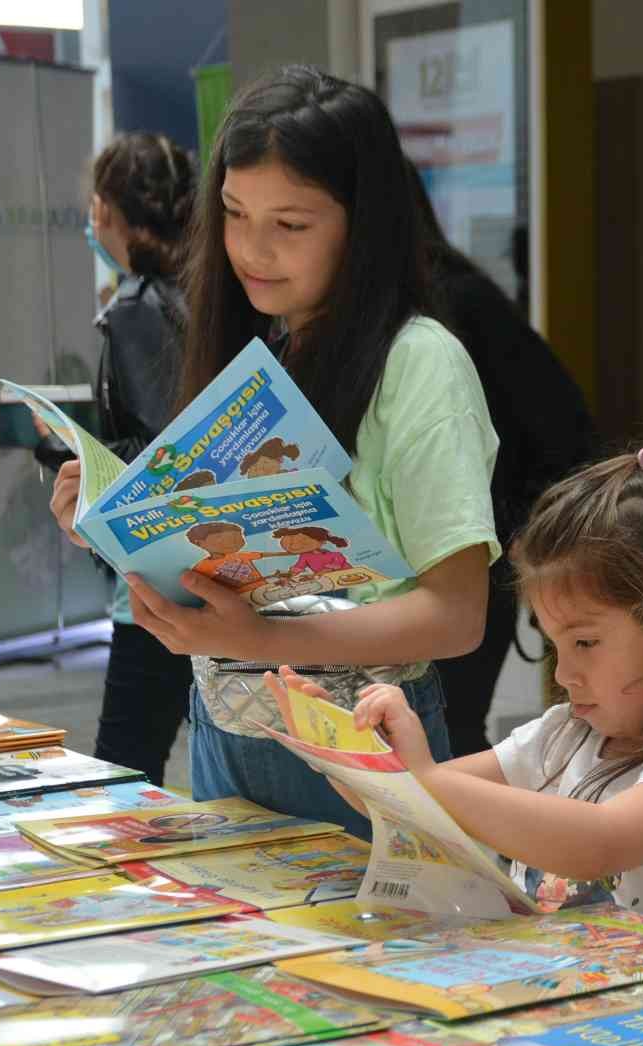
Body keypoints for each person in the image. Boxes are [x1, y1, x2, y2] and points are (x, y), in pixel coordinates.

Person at [47, 67, 498, 836]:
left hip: (361, 739)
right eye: (232, 212)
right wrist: (118, 523)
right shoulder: (268, 344)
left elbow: (456, 614)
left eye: (290, 225)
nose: (252, 249)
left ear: (365, 225)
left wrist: (266, 639)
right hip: (232, 725)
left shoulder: (420, 362)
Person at [272, 449, 643, 931]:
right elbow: (404, 806)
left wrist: (426, 775)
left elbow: (601, 842)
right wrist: (341, 747)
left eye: (585, 643)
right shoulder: (565, 733)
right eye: (556, 646)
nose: (563, 676)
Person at [407, 157, 595, 756]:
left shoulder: (452, 301)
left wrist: (521, 528)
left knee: (447, 731)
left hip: (478, 555)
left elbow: (566, 430)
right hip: (442, 558)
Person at [32, 132, 198, 789]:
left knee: (121, 773)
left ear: (109, 211)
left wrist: (83, 454)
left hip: (154, 579)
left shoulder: (137, 307)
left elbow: (164, 452)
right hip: (222, 567)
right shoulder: (208, 292)